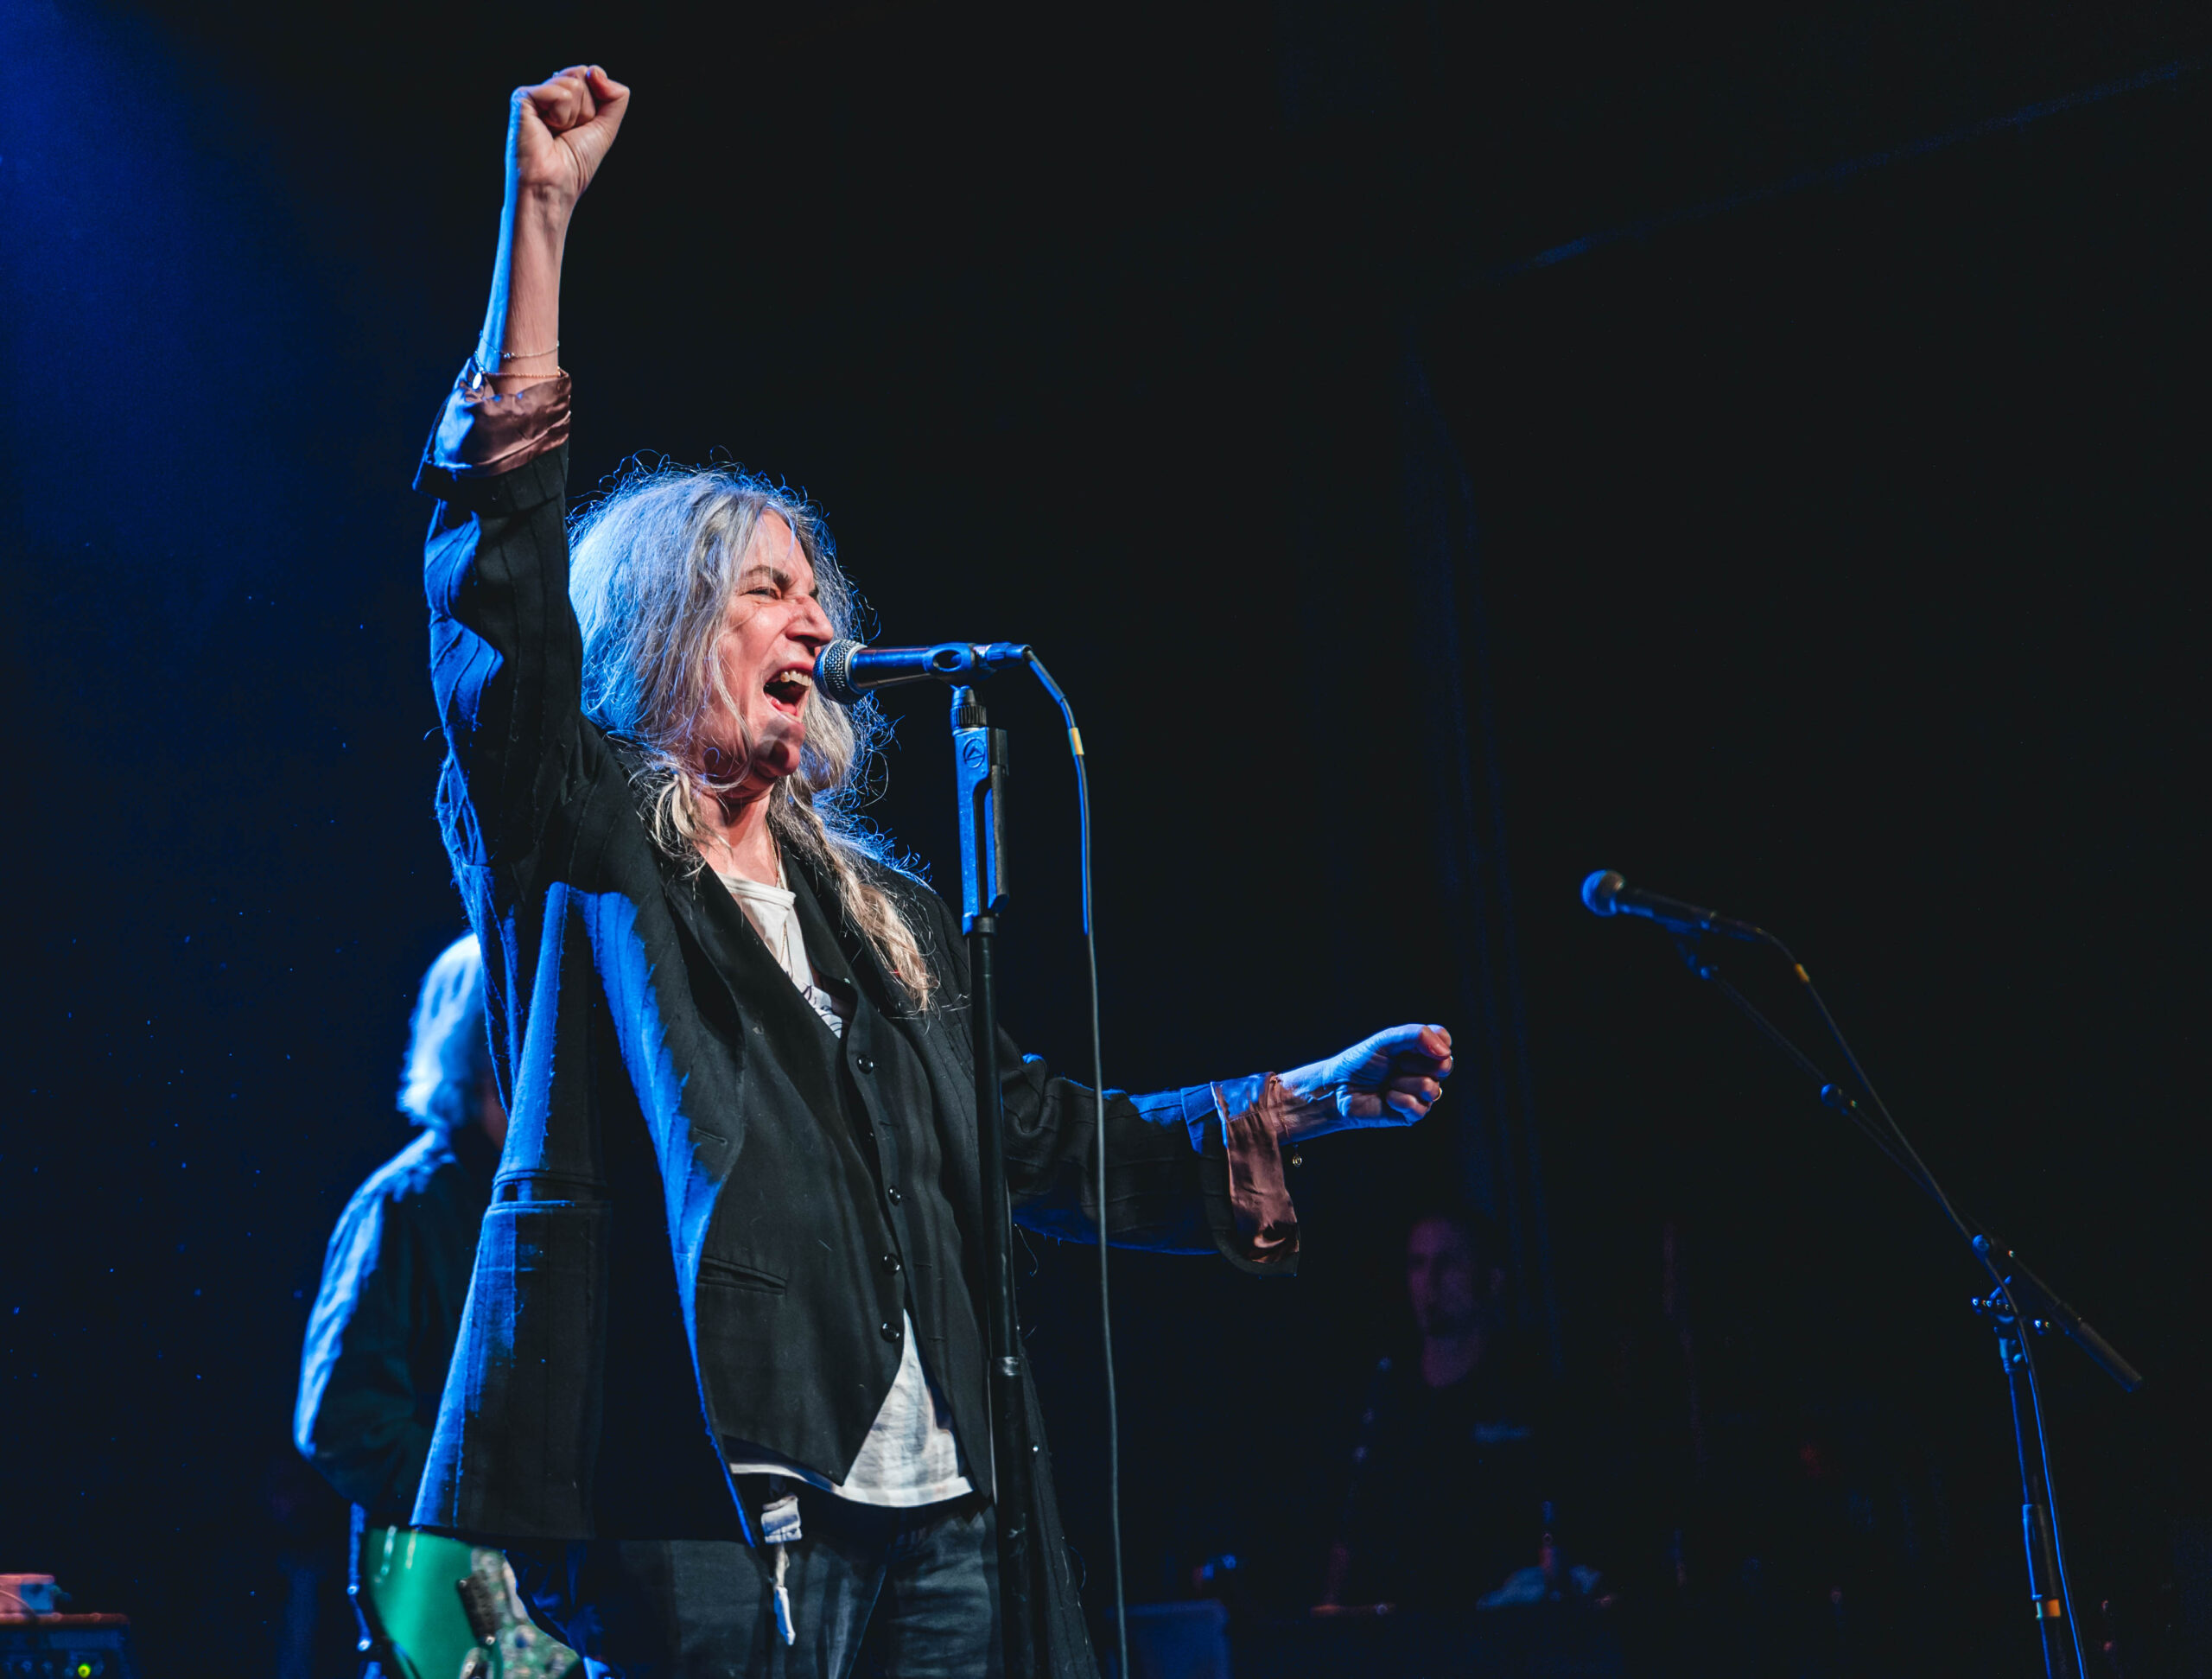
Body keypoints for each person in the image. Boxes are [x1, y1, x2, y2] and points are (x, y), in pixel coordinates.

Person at [410, 64, 1456, 1679]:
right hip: (726, 1478)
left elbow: (1031, 1126)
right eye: (767, 587)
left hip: (950, 1484)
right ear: (667, 630)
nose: (819, 622)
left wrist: (1291, 1100)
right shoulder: (593, 854)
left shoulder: (882, 918)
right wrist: (539, 217)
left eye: (817, 590)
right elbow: (499, 600)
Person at [296, 934, 576, 1678]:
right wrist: (484, 1495)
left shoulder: (561, 1205)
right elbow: (342, 1421)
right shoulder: (404, 1205)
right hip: (450, 1594)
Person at [1319, 1210, 1582, 1614]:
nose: (1430, 1282)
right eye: (1417, 1264)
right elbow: (1355, 1520)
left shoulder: (1524, 1389)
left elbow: (1560, 1515)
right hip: (1408, 1631)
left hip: (1504, 1628)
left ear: (1491, 1279)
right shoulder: (1391, 1390)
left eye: (1448, 1263)